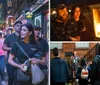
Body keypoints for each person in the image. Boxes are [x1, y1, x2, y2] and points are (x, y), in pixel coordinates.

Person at [2, 21, 22, 85]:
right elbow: (3, 47)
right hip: (10, 61)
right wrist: (12, 49)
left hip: (22, 61)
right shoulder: (9, 37)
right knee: (11, 78)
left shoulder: (24, 36)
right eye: (17, 26)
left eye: (20, 26)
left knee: (20, 78)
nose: (19, 27)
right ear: (14, 27)